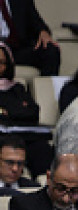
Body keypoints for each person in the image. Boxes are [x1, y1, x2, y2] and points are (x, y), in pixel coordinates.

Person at [0, 43, 50, 177]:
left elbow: (33, 112)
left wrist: (7, 112)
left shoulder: (17, 88)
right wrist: (17, 110)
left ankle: (42, 187)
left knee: (42, 148)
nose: (0, 67)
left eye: (3, 63)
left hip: (23, 135)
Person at [0, 0, 60, 76]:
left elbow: (37, 23)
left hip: (18, 50)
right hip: (1, 48)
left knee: (51, 50)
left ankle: (47, 87)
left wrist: (43, 32)